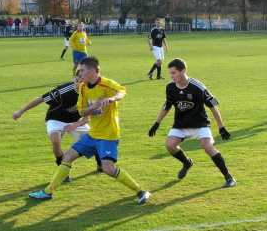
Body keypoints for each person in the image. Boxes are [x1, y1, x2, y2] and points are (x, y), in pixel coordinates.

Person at [29, 56, 151, 204]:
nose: (80, 74)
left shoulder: (106, 84)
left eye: (82, 70)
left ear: (92, 71)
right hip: (93, 133)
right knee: (67, 156)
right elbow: (82, 111)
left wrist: (113, 99)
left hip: (108, 134)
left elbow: (122, 90)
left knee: (108, 169)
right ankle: (48, 192)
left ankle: (141, 191)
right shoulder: (83, 87)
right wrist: (93, 107)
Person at [148, 58, 236, 188]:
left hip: (200, 123)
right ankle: (187, 162)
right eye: (170, 73)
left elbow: (212, 106)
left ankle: (229, 178)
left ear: (183, 71)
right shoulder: (170, 87)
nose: (171, 76)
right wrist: (157, 123)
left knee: (207, 147)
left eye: (174, 73)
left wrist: (221, 127)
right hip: (181, 124)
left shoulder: (197, 86)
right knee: (170, 145)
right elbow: (168, 105)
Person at [13, 72, 102, 182]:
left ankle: (101, 164)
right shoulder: (63, 90)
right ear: (74, 78)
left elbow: (87, 118)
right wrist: (20, 111)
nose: (78, 84)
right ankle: (63, 170)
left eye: (82, 82)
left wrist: (75, 125)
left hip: (75, 121)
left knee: (96, 138)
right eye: (77, 81)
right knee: (55, 140)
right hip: (55, 119)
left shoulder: (91, 93)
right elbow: (41, 99)